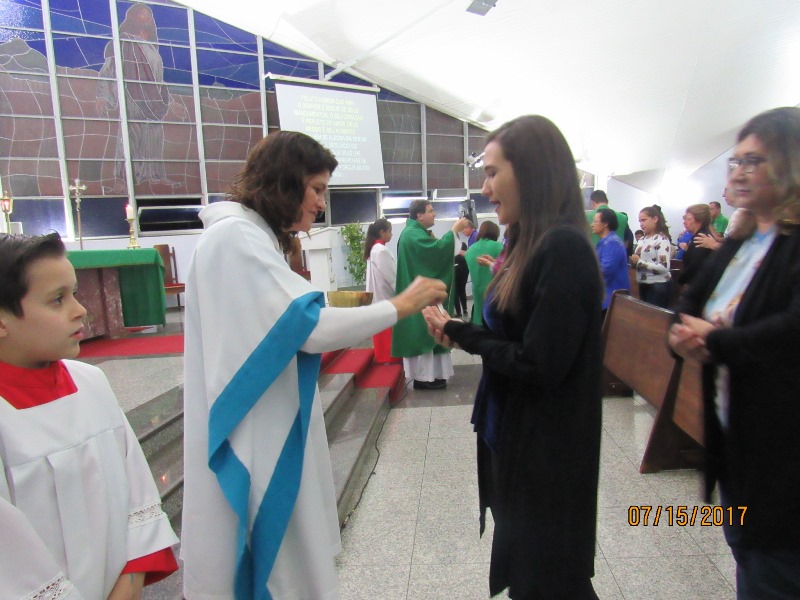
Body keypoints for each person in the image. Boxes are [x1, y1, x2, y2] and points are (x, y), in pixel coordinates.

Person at [181, 131, 446, 599]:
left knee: (293, 557)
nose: (322, 203)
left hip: (268, 415)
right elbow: (308, 328)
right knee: (278, 562)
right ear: (284, 183)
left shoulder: (247, 235)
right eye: (317, 189)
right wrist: (400, 305)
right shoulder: (236, 237)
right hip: (257, 430)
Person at [423, 115, 603, 599]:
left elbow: (538, 363)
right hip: (515, 433)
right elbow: (514, 333)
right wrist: (459, 332)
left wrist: (463, 333)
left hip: (547, 450)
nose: (485, 188)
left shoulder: (563, 247)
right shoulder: (527, 240)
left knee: (550, 580)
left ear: (532, 172)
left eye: (492, 172)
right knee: (533, 577)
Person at [0, 232, 179, 598]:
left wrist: (127, 587)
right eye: (57, 299)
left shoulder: (91, 382)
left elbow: (138, 501)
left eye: (75, 293)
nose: (80, 309)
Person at [668, 106, 800, 599]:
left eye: (754, 161)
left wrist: (715, 340)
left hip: (784, 455)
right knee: (751, 562)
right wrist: (680, 337)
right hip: (738, 446)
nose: (739, 172)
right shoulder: (742, 239)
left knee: (773, 571)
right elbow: (690, 302)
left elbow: (792, 330)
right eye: (735, 161)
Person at [392, 200, 468, 390]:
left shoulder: (415, 232)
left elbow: (434, 250)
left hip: (422, 296)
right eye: (430, 211)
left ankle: (432, 376)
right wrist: (453, 230)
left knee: (432, 330)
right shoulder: (412, 234)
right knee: (424, 333)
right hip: (420, 298)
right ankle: (423, 378)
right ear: (419, 215)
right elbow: (436, 252)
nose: (434, 214)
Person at [364, 218, 399, 363]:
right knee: (387, 328)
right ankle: (389, 357)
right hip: (385, 296)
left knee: (381, 328)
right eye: (390, 231)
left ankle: (383, 357)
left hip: (378, 295)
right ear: (382, 232)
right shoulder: (381, 250)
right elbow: (391, 277)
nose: (391, 234)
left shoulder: (374, 248)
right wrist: (402, 292)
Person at [630, 205, 672, 308]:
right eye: (640, 221)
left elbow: (664, 267)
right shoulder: (642, 239)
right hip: (643, 282)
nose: (641, 224)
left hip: (657, 284)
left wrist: (639, 262)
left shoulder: (661, 239)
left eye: (644, 220)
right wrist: (634, 262)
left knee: (654, 316)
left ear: (655, 219)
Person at [591, 207, 630, 317]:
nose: (592, 225)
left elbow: (605, 271)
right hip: (604, 296)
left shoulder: (612, 242)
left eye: (595, 221)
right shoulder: (604, 241)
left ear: (605, 223)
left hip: (611, 298)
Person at [465, 221, 504, 325]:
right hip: (495, 292)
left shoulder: (470, 250)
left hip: (477, 291)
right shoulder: (499, 247)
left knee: (479, 317)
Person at [677, 203, 714, 289]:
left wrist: (680, 281)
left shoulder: (701, 238)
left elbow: (694, 266)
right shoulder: (699, 235)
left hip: (696, 285)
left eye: (689, 219)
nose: (684, 222)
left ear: (699, 222)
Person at [453, 242, 469, 318]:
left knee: (455, 292)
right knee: (462, 290)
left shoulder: (454, 246)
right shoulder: (463, 244)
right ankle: (465, 310)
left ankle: (458, 312)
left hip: (456, 270)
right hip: (465, 270)